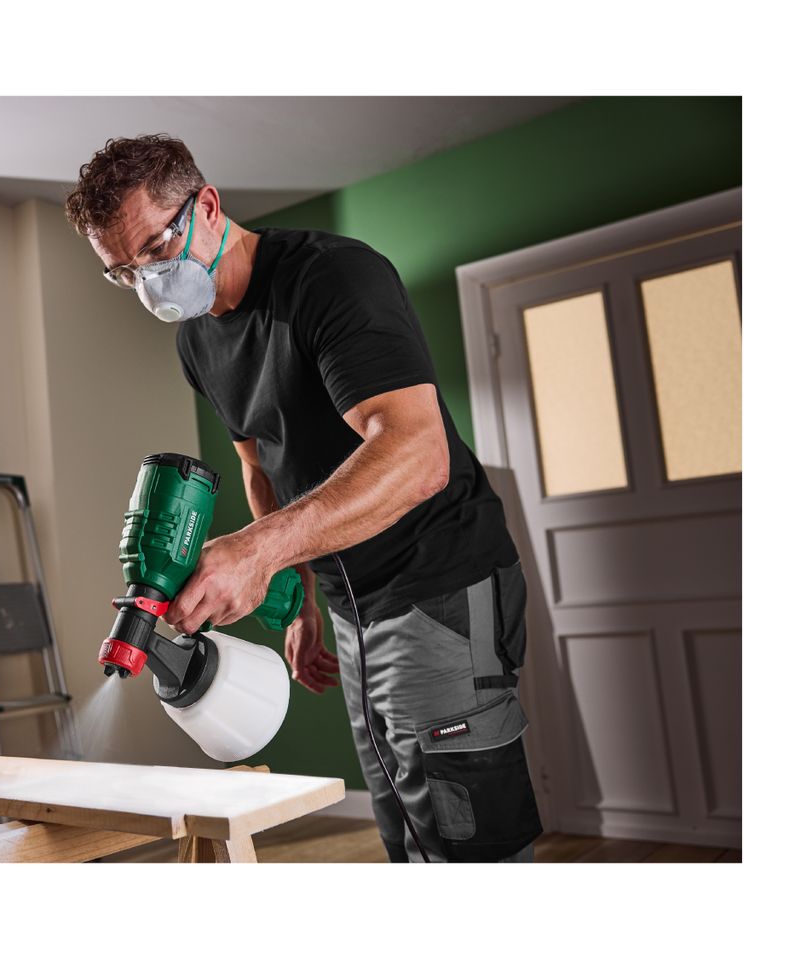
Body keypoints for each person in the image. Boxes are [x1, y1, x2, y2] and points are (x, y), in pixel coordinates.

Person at [65, 134, 542, 863]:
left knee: (464, 839)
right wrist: (296, 590)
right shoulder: (197, 341)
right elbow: (260, 465)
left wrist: (259, 552)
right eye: (123, 272)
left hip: (438, 583)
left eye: (156, 248)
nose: (148, 281)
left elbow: (418, 454)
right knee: (401, 816)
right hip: (353, 604)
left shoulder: (332, 279)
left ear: (209, 206)